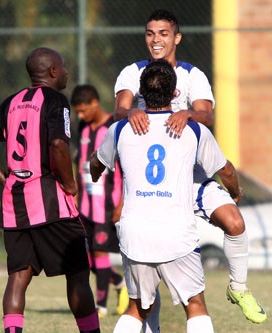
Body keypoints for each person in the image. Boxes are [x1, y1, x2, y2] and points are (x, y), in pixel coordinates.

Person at [113, 8, 266, 327]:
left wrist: (189, 115)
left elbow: (206, 116)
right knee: (148, 288)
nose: (156, 40)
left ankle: (238, 288)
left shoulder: (192, 75)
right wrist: (129, 114)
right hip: (155, 181)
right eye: (150, 33)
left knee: (235, 222)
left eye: (163, 33)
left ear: (176, 38)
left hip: (192, 176)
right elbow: (119, 109)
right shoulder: (132, 71)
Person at [0, 47, 100, 333]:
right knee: (78, 273)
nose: (66, 71)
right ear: (52, 71)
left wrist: (5, 179)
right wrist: (70, 184)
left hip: (15, 204)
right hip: (51, 202)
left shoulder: (12, 102)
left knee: (18, 276)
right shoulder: (57, 101)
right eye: (63, 66)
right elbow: (57, 146)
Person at [91, 59, 215, 333]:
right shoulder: (193, 129)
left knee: (136, 307)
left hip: (135, 233)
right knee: (194, 304)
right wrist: (235, 190)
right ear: (175, 94)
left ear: (141, 94)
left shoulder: (121, 128)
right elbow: (224, 170)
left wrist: (96, 171)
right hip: (176, 233)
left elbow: (96, 163)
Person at [70, 84, 129, 318]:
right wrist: (74, 192)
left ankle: (100, 307)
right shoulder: (82, 127)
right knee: (87, 258)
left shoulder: (113, 128)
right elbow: (79, 160)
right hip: (84, 203)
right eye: (78, 112)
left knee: (100, 252)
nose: (81, 116)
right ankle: (119, 283)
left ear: (95, 102)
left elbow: (125, 167)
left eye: (84, 110)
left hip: (106, 205)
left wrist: (122, 202)